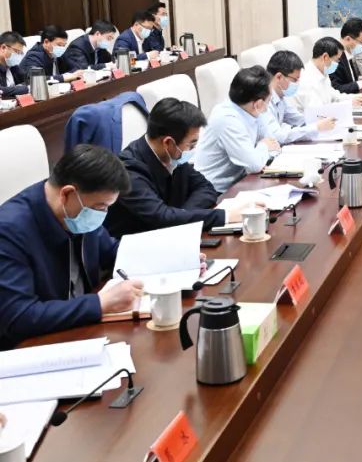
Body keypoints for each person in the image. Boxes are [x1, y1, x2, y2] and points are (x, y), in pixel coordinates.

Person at [0, 144, 142, 349]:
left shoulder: (77, 210)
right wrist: (100, 303)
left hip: (81, 330)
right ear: (66, 194)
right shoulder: (8, 231)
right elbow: (19, 316)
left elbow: (111, 251)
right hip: (34, 347)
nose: (102, 215)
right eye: (100, 207)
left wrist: (169, 257)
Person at [106, 99, 242, 236]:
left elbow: (205, 188)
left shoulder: (173, 157)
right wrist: (226, 216)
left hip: (171, 236)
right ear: (168, 143)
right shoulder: (129, 171)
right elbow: (161, 218)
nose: (193, 150)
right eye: (191, 145)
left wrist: (179, 216)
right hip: (136, 243)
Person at [194, 67, 280, 193]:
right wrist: (263, 147)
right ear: (258, 104)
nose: (269, 105)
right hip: (215, 191)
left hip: (241, 180)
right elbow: (255, 163)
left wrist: (263, 151)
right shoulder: (226, 118)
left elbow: (272, 143)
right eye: (269, 100)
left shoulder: (251, 108)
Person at [264, 50, 334, 144]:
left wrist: (320, 120)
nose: (297, 84)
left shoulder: (281, 97)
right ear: (279, 77)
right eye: (295, 79)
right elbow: (278, 136)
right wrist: (316, 127)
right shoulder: (263, 100)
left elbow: (298, 119)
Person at [294, 37, 362, 111]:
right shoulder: (306, 79)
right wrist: (349, 104)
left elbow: (335, 97)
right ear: (325, 57)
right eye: (337, 60)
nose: (338, 64)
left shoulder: (322, 72)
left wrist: (361, 96)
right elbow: (318, 111)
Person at [331, 18, 362, 93]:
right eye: (361, 42)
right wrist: (359, 84)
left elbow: (349, 80)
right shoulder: (334, 57)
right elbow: (336, 89)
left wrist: (360, 80)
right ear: (348, 39)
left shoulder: (348, 54)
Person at [0, 31, 28, 98]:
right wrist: (21, 88)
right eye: (17, 52)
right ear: (3, 48)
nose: (18, 55)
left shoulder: (13, 67)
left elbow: (28, 80)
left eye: (21, 53)